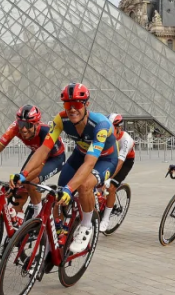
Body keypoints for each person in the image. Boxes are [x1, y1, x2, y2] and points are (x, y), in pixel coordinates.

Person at [17, 83, 116, 254]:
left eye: (77, 104)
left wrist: (71, 189)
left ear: (86, 105)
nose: (72, 109)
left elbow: (90, 163)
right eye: (67, 105)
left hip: (104, 159)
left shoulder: (101, 125)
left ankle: (86, 226)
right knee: (59, 194)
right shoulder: (60, 119)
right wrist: (23, 175)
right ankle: (59, 230)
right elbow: (43, 149)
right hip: (80, 154)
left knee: (84, 185)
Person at [0, 104, 65, 221]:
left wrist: (27, 175)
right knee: (18, 184)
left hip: (54, 158)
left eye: (28, 125)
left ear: (36, 124)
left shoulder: (45, 131)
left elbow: (40, 162)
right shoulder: (15, 128)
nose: (23, 129)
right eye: (21, 124)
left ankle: (38, 215)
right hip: (36, 154)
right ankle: (19, 217)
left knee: (29, 181)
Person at [104, 113, 135, 229]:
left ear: (118, 128)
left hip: (125, 161)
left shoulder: (126, 139)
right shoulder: (105, 135)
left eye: (111, 129)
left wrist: (110, 178)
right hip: (110, 157)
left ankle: (106, 218)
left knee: (111, 187)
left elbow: (120, 162)